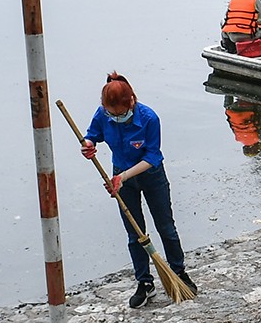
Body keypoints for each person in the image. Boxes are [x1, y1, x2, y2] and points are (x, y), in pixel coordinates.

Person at [82, 72, 193, 307]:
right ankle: (145, 282)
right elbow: (92, 135)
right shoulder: (103, 114)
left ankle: (179, 272)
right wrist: (88, 145)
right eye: (112, 114)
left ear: (131, 101)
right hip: (122, 179)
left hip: (150, 176)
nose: (116, 117)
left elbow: (152, 155)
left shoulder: (149, 118)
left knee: (166, 228)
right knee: (135, 233)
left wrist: (121, 177)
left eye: (120, 113)